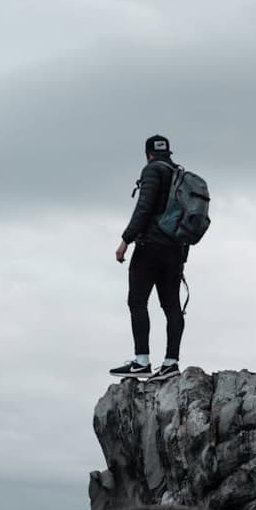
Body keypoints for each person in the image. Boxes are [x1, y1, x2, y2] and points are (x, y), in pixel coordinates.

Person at [110, 135, 187, 381]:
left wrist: (125, 240)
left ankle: (141, 361)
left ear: (147, 154)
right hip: (175, 249)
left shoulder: (152, 171)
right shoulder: (179, 175)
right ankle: (171, 363)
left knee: (138, 301)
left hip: (150, 245)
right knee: (172, 306)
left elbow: (143, 208)